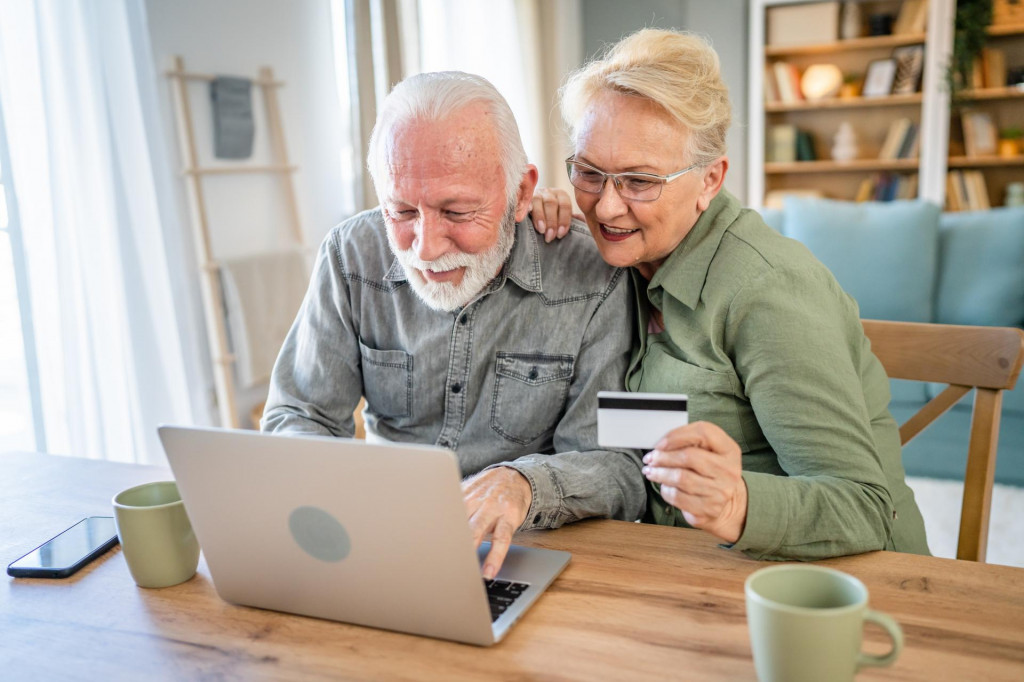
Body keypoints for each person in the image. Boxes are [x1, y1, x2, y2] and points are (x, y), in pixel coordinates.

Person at [532, 29, 929, 560]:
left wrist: (737, 504)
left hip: (829, 588)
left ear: (710, 180)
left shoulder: (767, 290)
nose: (604, 208)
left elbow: (865, 507)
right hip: (677, 570)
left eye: (639, 181)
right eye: (589, 172)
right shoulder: (619, 259)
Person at [262, 71, 644, 579]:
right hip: (384, 544)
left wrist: (523, 485)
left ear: (522, 191)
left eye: (457, 211)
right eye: (401, 210)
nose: (425, 248)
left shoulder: (599, 274)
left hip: (529, 551)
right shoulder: (350, 255)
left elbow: (622, 467)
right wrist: (340, 493)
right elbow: (297, 415)